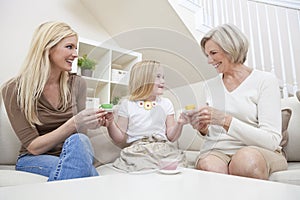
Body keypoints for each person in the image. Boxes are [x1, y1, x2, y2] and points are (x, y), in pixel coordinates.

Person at [1, 21, 107, 181]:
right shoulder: (14, 89)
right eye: (69, 47)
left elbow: (80, 137)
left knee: (80, 140)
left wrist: (87, 123)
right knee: (84, 171)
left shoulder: (77, 84)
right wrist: (73, 123)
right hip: (34, 158)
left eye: (75, 48)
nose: (76, 54)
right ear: (48, 48)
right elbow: (34, 147)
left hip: (75, 153)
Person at [188, 23, 288, 180]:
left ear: (231, 49)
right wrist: (202, 128)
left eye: (213, 53)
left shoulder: (265, 81)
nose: (209, 61)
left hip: (258, 150)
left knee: (245, 162)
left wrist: (225, 120)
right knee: (209, 166)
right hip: (217, 150)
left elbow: (271, 140)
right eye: (207, 55)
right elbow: (211, 133)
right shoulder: (210, 86)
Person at [104, 60, 188, 172]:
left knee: (178, 164)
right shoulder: (128, 104)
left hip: (162, 147)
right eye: (158, 77)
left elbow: (171, 137)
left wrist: (180, 123)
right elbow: (119, 137)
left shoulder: (166, 103)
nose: (163, 81)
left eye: (163, 77)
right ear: (144, 80)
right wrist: (110, 123)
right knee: (144, 167)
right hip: (139, 149)